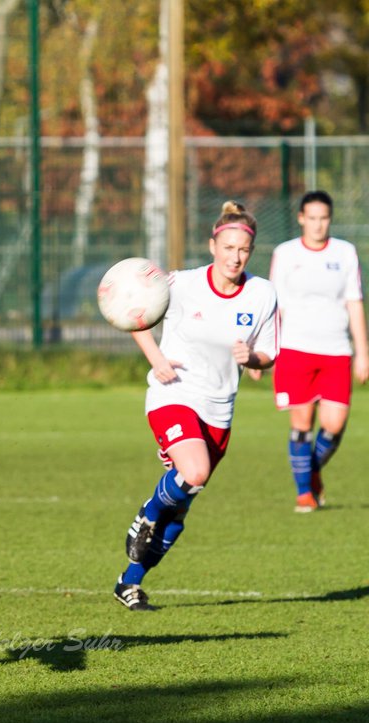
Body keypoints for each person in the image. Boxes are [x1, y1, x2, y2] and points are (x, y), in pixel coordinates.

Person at [115, 200, 278, 611]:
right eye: (228, 248)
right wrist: (155, 358)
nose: (235, 257)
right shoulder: (181, 283)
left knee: (181, 512)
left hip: (219, 409)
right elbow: (133, 309)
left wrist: (252, 358)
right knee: (195, 471)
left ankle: (129, 582)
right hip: (174, 394)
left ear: (250, 252)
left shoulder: (262, 294)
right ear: (213, 246)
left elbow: (269, 354)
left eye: (243, 250)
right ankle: (145, 514)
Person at [268, 190, 368, 512]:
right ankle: (304, 494)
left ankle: (309, 473)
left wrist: (362, 353)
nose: (317, 224)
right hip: (295, 349)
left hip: (337, 350)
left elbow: (354, 302)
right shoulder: (285, 253)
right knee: (302, 423)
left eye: (323, 218)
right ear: (301, 218)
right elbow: (273, 306)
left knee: (335, 424)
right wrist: (264, 347)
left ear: (330, 219)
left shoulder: (345, 252)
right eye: (311, 218)